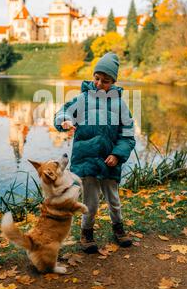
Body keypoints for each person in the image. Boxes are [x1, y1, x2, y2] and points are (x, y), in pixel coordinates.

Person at [54, 52, 136, 253]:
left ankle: (118, 229)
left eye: (105, 81)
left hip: (110, 162)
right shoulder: (82, 99)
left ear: (113, 81)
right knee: (90, 202)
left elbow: (128, 134)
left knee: (114, 200)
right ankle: (87, 233)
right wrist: (64, 121)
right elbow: (62, 112)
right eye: (97, 78)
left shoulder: (120, 104)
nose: (99, 84)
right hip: (87, 160)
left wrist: (117, 155)